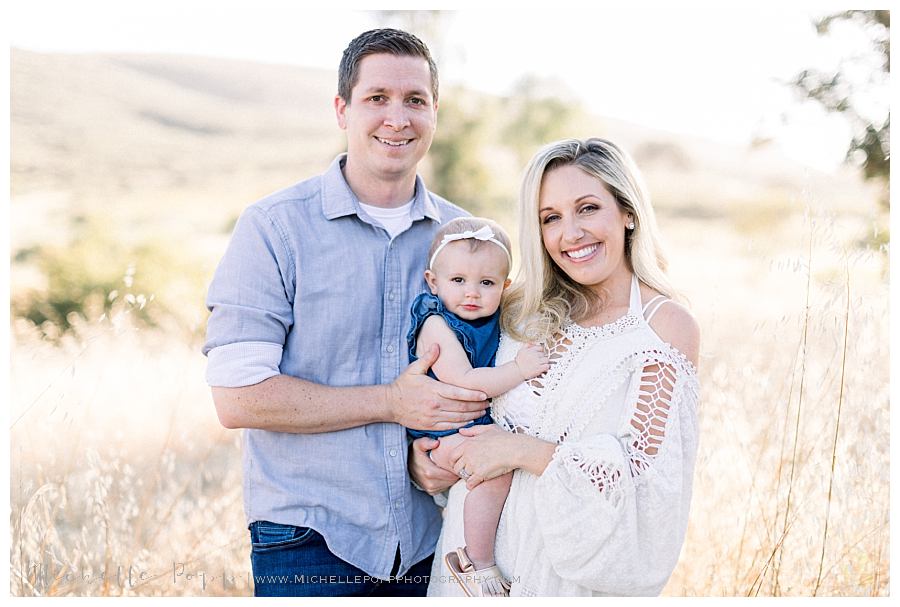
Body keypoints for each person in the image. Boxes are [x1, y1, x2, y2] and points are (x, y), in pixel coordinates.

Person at [202, 29, 489, 597]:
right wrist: (390, 401)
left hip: (438, 536)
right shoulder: (274, 228)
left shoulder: (470, 241)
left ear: (436, 112)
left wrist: (444, 460)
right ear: (342, 109)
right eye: (376, 98)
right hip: (308, 538)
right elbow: (237, 397)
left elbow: (491, 375)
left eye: (415, 101)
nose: (397, 118)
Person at [413, 138, 701, 597]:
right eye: (551, 218)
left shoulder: (663, 328)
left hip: (561, 582)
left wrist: (519, 450)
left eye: (587, 208)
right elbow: (451, 392)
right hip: (468, 571)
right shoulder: (515, 311)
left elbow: (648, 487)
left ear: (628, 212)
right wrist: (422, 461)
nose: (570, 233)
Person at [405, 216, 550, 596]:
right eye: (458, 281)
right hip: (441, 432)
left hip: (464, 428)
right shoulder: (436, 323)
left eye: (486, 283)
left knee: (495, 471)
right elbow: (467, 383)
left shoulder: (492, 315)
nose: (472, 293)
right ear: (433, 282)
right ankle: (476, 561)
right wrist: (519, 370)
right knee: (493, 472)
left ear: (505, 286)